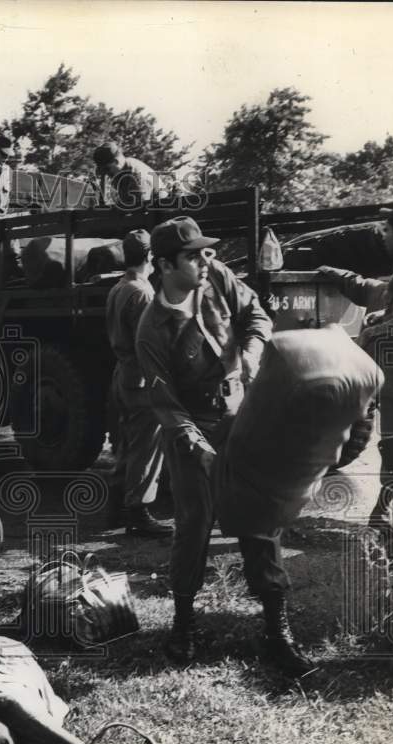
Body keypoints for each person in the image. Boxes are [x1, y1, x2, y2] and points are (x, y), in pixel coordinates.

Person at [136, 216, 313, 677]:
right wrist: (198, 445)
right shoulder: (151, 328)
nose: (205, 259)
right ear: (163, 264)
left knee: (261, 519)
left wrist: (253, 351)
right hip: (192, 428)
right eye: (193, 255)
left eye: (205, 251)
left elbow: (256, 314)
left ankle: (276, 630)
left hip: (242, 416)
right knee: (194, 524)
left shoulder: (217, 277)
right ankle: (184, 623)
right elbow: (165, 403)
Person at [318, 201, 393, 530]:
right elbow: (387, 301)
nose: (383, 239)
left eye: (386, 232)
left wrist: (367, 334)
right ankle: (387, 512)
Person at [105, 229, 173, 537]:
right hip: (142, 380)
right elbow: (150, 342)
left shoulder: (119, 288)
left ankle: (115, 507)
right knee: (146, 447)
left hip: (123, 374)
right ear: (150, 257)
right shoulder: (142, 293)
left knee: (129, 444)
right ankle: (138, 511)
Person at [93, 142, 164, 210]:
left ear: (116, 161)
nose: (106, 173)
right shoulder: (120, 172)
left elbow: (140, 209)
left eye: (107, 169)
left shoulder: (136, 174)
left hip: (160, 214)